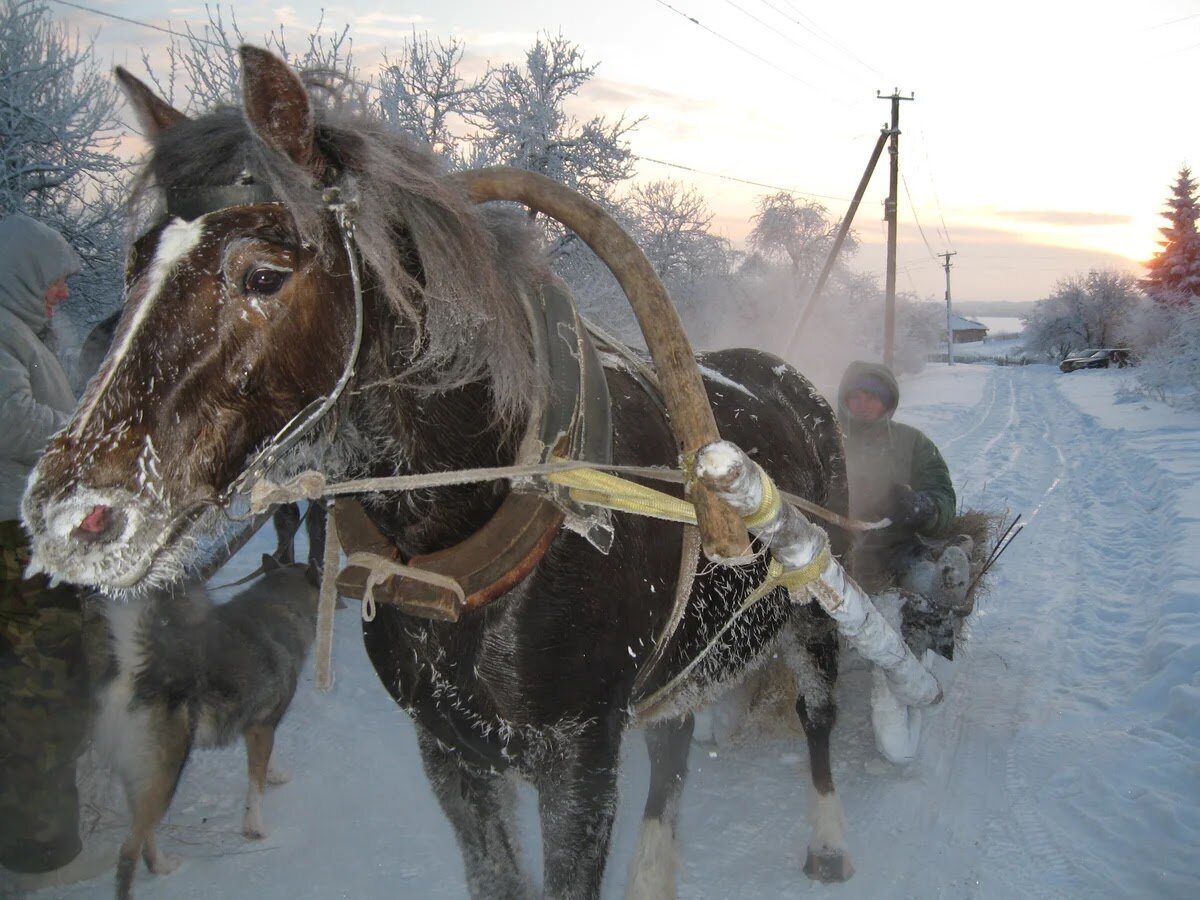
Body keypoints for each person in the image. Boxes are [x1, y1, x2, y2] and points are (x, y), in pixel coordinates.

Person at [0, 213, 96, 883]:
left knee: (51, 683)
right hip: (15, 545)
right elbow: (11, 422)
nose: (61, 292)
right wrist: (86, 434)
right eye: (54, 280)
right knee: (39, 691)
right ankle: (38, 855)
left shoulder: (21, 333)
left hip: (31, 534)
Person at [837, 360, 957, 593]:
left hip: (896, 546)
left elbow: (942, 494)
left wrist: (920, 507)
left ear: (887, 401)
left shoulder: (913, 442)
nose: (863, 405)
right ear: (845, 398)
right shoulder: (822, 436)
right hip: (831, 547)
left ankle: (937, 585)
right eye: (856, 397)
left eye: (872, 398)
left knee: (920, 581)